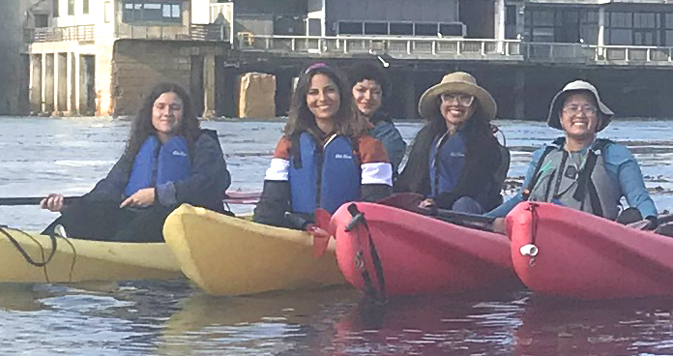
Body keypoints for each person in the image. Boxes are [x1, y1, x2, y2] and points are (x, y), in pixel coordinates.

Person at [40, 83, 231, 242]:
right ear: (151, 111)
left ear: (184, 113)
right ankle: (46, 244)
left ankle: (112, 258)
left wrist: (157, 195)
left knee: (146, 221)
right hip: (136, 215)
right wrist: (69, 205)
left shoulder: (202, 143)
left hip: (180, 222)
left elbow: (211, 182)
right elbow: (110, 188)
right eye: (161, 107)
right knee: (82, 212)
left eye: (175, 108)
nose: (167, 113)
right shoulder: (139, 146)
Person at [487, 80, 658, 231]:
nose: (580, 114)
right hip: (538, 233)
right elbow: (522, 197)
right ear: (561, 117)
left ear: (598, 118)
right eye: (572, 108)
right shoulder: (543, 155)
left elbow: (639, 198)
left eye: (588, 109)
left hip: (594, 239)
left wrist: (650, 220)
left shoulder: (616, 155)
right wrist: (483, 219)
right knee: (498, 224)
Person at [253, 62, 393, 228]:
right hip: (301, 231)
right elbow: (271, 202)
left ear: (342, 94)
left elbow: (375, 205)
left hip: (349, 233)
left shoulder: (369, 145)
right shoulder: (288, 143)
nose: (322, 99)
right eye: (313, 92)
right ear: (304, 99)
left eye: (330, 90)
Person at [395, 71, 509, 214]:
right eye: (448, 97)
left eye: (465, 98)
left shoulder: (487, 143)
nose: (456, 104)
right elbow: (409, 178)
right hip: (429, 208)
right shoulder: (426, 136)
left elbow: (472, 186)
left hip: (467, 211)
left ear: (474, 106)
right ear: (439, 103)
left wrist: (437, 203)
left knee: (462, 204)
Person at [349, 63, 407, 174]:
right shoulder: (335, 125)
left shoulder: (389, 135)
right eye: (361, 90)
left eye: (375, 92)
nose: (368, 97)